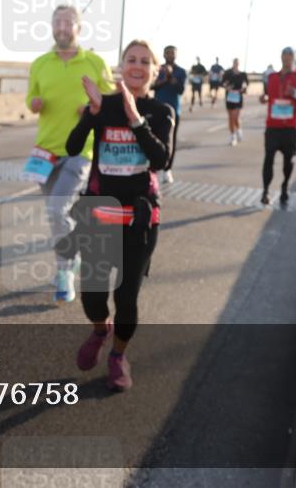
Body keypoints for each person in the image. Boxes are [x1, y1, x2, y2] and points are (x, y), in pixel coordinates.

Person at [64, 40, 173, 391]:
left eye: (145, 62)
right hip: (99, 215)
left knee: (126, 297)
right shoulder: (103, 105)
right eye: (131, 60)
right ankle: (100, 330)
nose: (137, 66)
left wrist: (136, 119)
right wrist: (92, 114)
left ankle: (117, 356)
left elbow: (160, 160)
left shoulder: (160, 111)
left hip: (139, 220)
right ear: (121, 66)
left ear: (155, 71)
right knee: (93, 296)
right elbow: (71, 146)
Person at [25, 4, 115, 303]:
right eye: (57, 23)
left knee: (55, 210)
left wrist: (94, 106)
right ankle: (72, 254)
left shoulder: (94, 62)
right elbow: (29, 98)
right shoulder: (40, 63)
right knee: (56, 214)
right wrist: (34, 103)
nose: (62, 28)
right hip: (45, 151)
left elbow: (111, 98)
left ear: (78, 28)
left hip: (80, 150)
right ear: (52, 27)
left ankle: (64, 272)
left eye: (67, 23)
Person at [259, 46, 296, 207]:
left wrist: (295, 93)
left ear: (294, 59)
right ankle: (266, 191)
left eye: (290, 56)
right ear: (281, 57)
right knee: (268, 158)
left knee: (288, 161)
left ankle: (284, 187)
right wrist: (264, 98)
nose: (287, 58)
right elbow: (268, 95)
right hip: (272, 126)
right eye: (285, 55)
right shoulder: (272, 77)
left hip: (290, 127)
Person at [152, 45, 186, 184]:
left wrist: (171, 76)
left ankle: (167, 169)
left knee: (170, 140)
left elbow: (180, 90)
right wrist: (164, 78)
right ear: (164, 54)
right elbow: (153, 86)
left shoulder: (181, 71)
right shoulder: (157, 69)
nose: (170, 55)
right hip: (156, 108)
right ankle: (153, 167)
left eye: (173, 53)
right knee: (153, 138)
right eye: (168, 53)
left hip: (173, 110)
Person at [222, 57, 249, 146]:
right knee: (230, 118)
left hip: (238, 97)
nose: (236, 64)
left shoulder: (242, 74)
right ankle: (233, 136)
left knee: (236, 118)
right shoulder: (228, 73)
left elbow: (246, 84)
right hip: (229, 97)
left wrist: (243, 88)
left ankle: (239, 130)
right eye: (234, 62)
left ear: (239, 64)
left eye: (237, 62)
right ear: (233, 63)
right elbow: (222, 83)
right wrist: (226, 87)